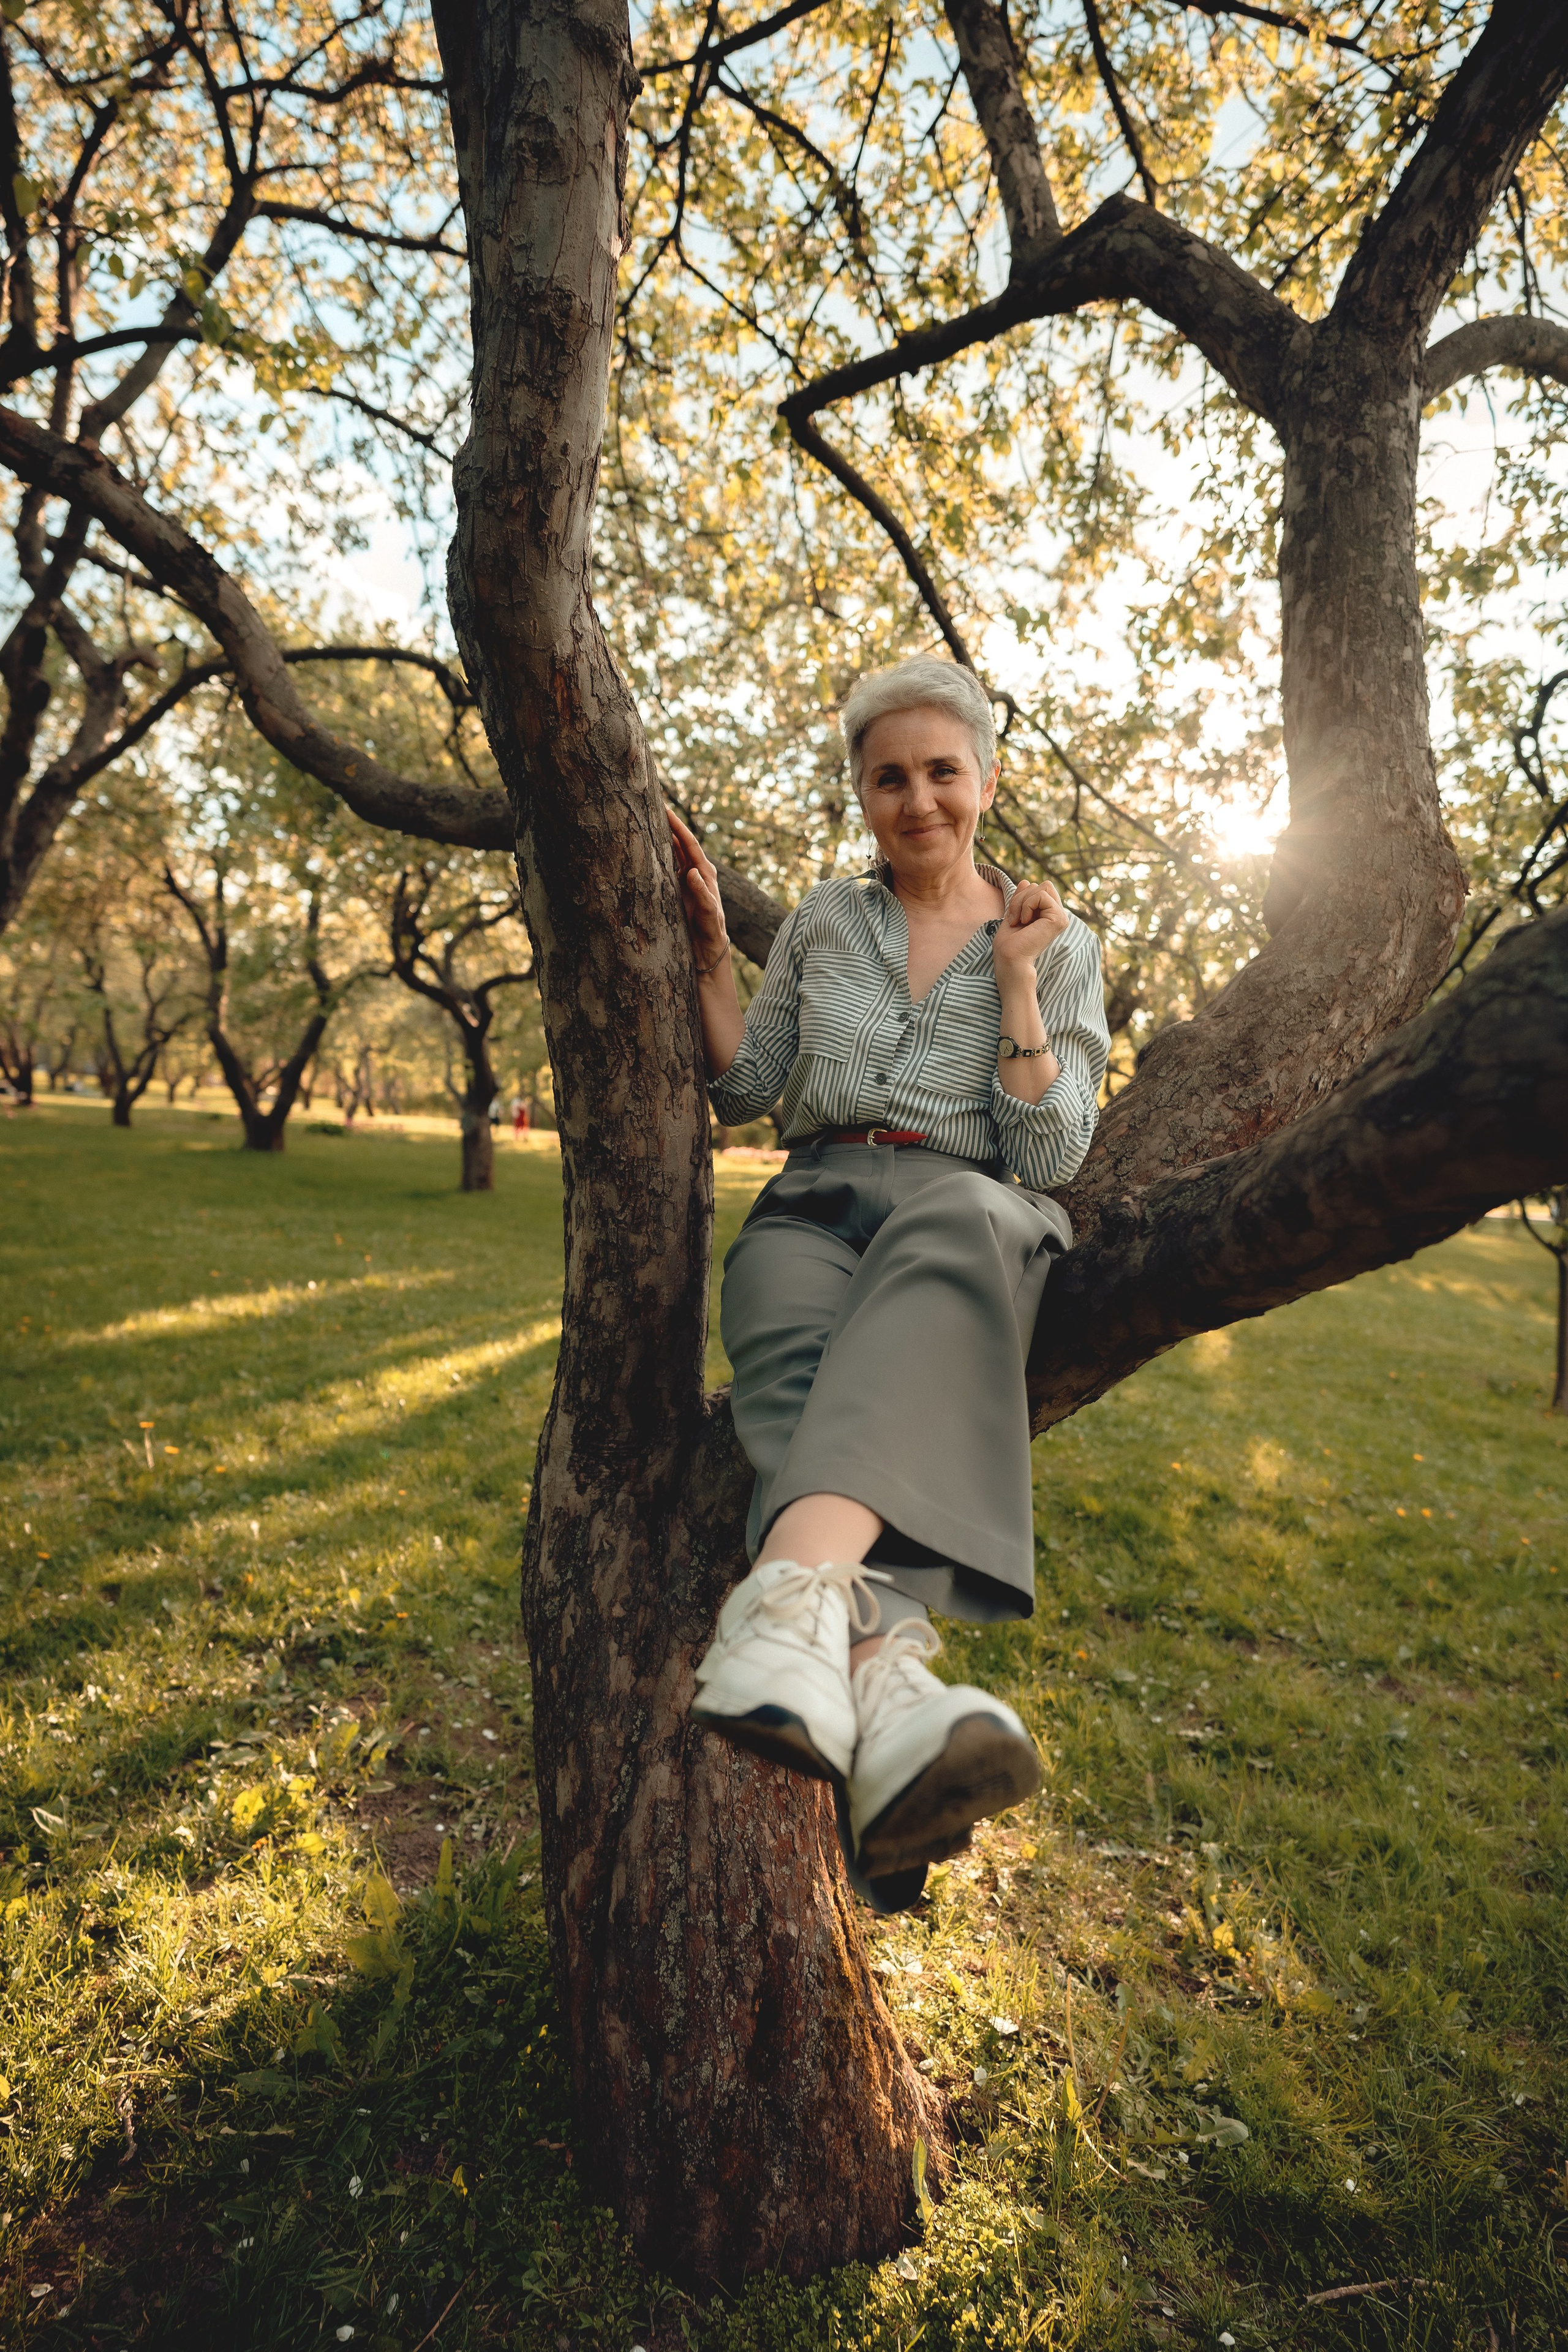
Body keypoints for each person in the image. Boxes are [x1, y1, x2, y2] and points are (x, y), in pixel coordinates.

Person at [669, 655, 1110, 1901]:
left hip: (961, 1204)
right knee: (798, 1389)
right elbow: (748, 1086)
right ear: (861, 793)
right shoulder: (824, 919)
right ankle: (894, 1705)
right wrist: (709, 957)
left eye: (941, 772)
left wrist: (1015, 979)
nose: (917, 801)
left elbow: (1049, 1153)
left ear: (986, 781)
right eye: (888, 779)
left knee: (961, 1218)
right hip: (813, 1202)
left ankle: (779, 1610)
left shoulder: (1057, 943)